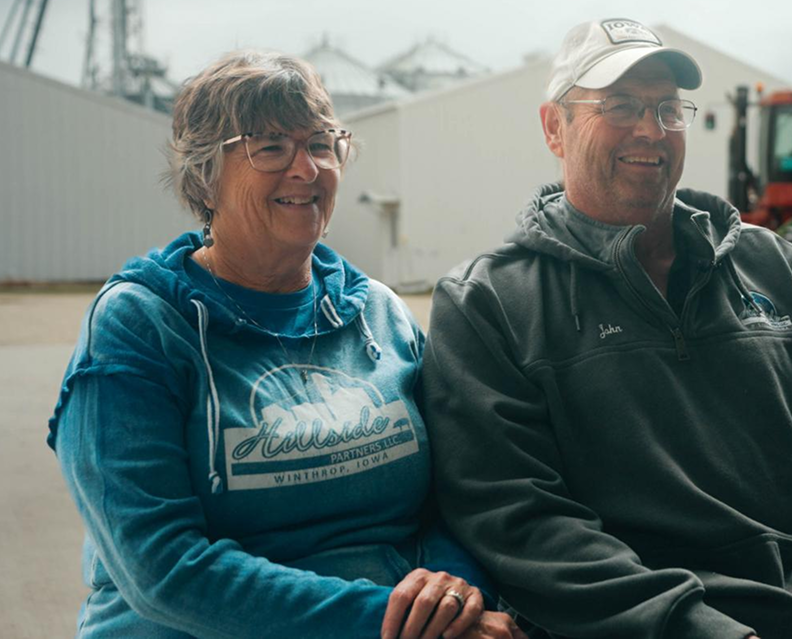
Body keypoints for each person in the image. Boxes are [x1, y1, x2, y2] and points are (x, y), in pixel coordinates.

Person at [421, 19, 792, 638]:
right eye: (620, 105)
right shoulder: (488, 302)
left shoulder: (773, 264)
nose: (650, 128)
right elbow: (522, 520)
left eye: (668, 107)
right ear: (554, 128)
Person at [48, 51, 523, 639]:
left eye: (321, 144)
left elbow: (452, 495)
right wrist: (391, 624)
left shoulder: (377, 310)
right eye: (270, 147)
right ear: (204, 175)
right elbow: (163, 569)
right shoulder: (140, 326)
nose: (307, 168)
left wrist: (453, 599)